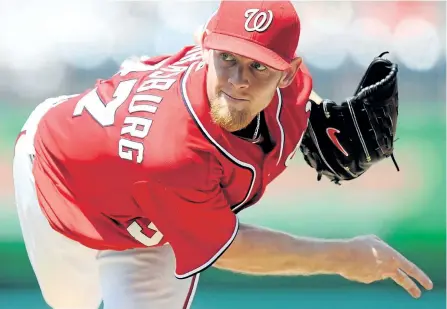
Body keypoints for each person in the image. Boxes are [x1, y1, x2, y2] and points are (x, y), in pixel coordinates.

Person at [12, 1, 433, 309]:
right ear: (204, 47)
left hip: (157, 222)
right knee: (72, 303)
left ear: (288, 71)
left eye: (259, 67)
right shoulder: (173, 151)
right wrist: (343, 256)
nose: (238, 81)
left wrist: (323, 118)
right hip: (59, 180)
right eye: (227, 58)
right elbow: (230, 247)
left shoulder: (290, 87)